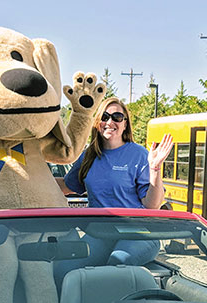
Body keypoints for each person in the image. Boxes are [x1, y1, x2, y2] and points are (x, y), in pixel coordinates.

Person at [55, 97, 173, 280]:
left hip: (138, 234)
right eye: (105, 116)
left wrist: (155, 168)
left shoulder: (139, 155)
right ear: (98, 123)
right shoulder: (89, 156)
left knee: (117, 263)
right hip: (100, 233)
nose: (110, 122)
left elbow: (152, 206)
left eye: (117, 117)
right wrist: (29, 178)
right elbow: (65, 186)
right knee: (64, 268)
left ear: (125, 124)